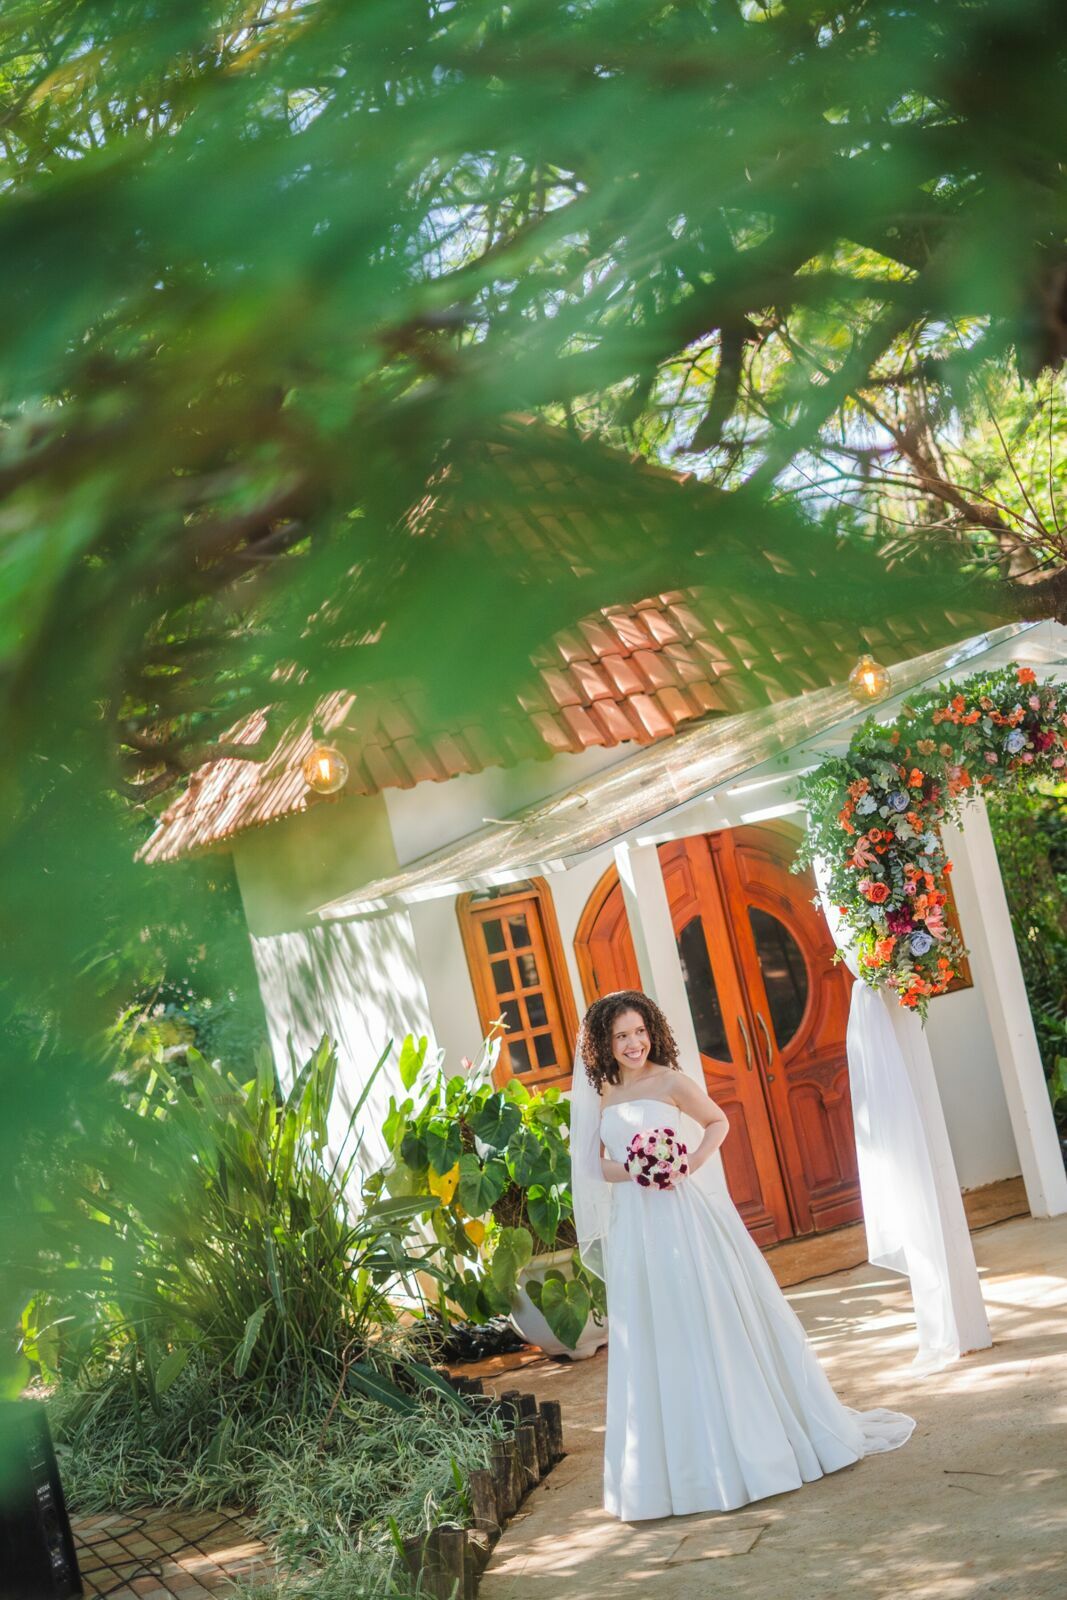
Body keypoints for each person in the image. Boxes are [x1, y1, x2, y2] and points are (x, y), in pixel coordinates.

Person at [568, 988, 916, 1522]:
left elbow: (718, 1123)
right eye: (621, 1036)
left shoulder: (671, 1080)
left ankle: (748, 1448)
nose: (634, 1043)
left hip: (682, 1215)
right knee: (655, 1326)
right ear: (604, 1044)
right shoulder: (603, 1094)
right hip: (635, 1223)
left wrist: (684, 1164)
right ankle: (674, 1470)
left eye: (639, 1032)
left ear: (651, 1032)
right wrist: (636, 1169)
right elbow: (594, 1166)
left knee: (704, 1314)